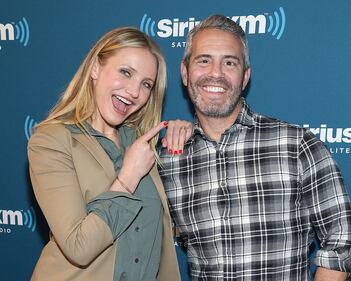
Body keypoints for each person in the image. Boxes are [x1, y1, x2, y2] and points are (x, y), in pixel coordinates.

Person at [158, 15, 351, 280]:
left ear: (245, 76)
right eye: (204, 60)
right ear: (184, 72)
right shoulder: (167, 159)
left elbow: (341, 239)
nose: (216, 73)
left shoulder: (296, 145)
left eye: (229, 62)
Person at [28, 27, 190, 281]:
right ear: (95, 68)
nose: (134, 92)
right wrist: (127, 178)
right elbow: (78, 246)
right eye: (125, 72)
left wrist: (185, 129)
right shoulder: (51, 141)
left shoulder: (141, 142)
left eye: (146, 84)